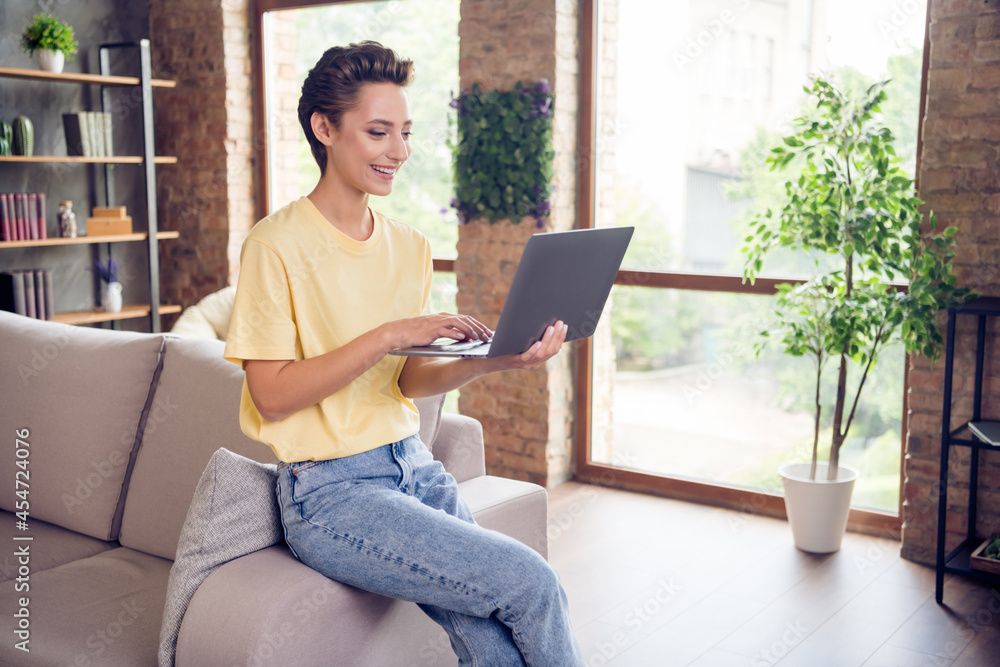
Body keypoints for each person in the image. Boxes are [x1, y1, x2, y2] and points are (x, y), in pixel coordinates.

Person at [223, 41, 584, 666]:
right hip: (330, 493)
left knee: (489, 633)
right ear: (325, 128)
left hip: (413, 467)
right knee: (533, 584)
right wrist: (389, 333)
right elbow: (272, 396)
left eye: (407, 133)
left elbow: (408, 381)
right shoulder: (274, 245)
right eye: (379, 132)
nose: (399, 151)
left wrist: (501, 358)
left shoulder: (410, 247)